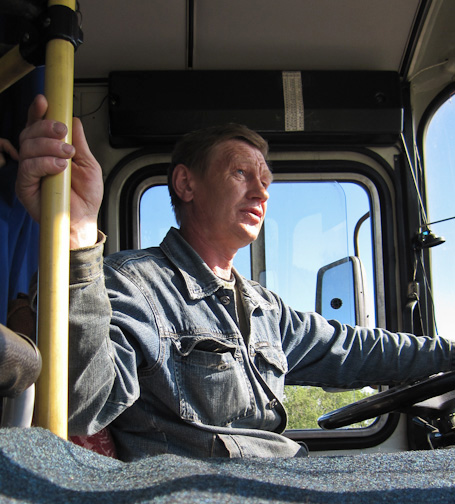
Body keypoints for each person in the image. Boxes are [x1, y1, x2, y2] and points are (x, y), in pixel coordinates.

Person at [16, 95, 455, 460]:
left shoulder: (264, 309)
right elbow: (81, 406)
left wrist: (448, 355)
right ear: (186, 185)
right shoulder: (131, 284)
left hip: (282, 479)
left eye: (265, 180)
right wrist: (77, 239)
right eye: (241, 173)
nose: (262, 192)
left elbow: (355, 349)